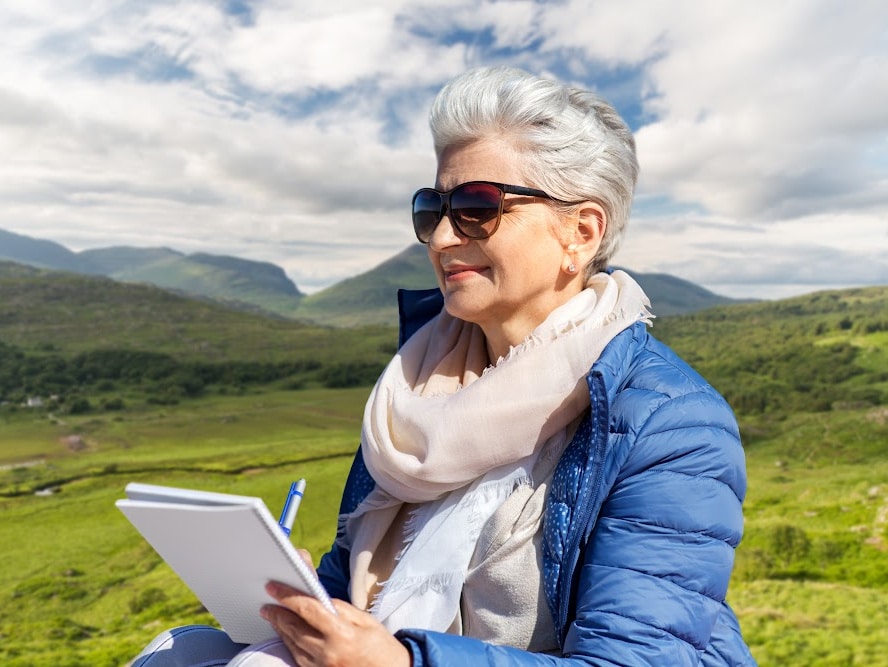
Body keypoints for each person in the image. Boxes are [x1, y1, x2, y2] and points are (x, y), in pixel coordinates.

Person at [133, 66, 757, 666]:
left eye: (478, 207)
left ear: (582, 233)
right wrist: (307, 602)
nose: (439, 238)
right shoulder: (412, 393)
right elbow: (362, 579)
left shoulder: (671, 424)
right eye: (432, 209)